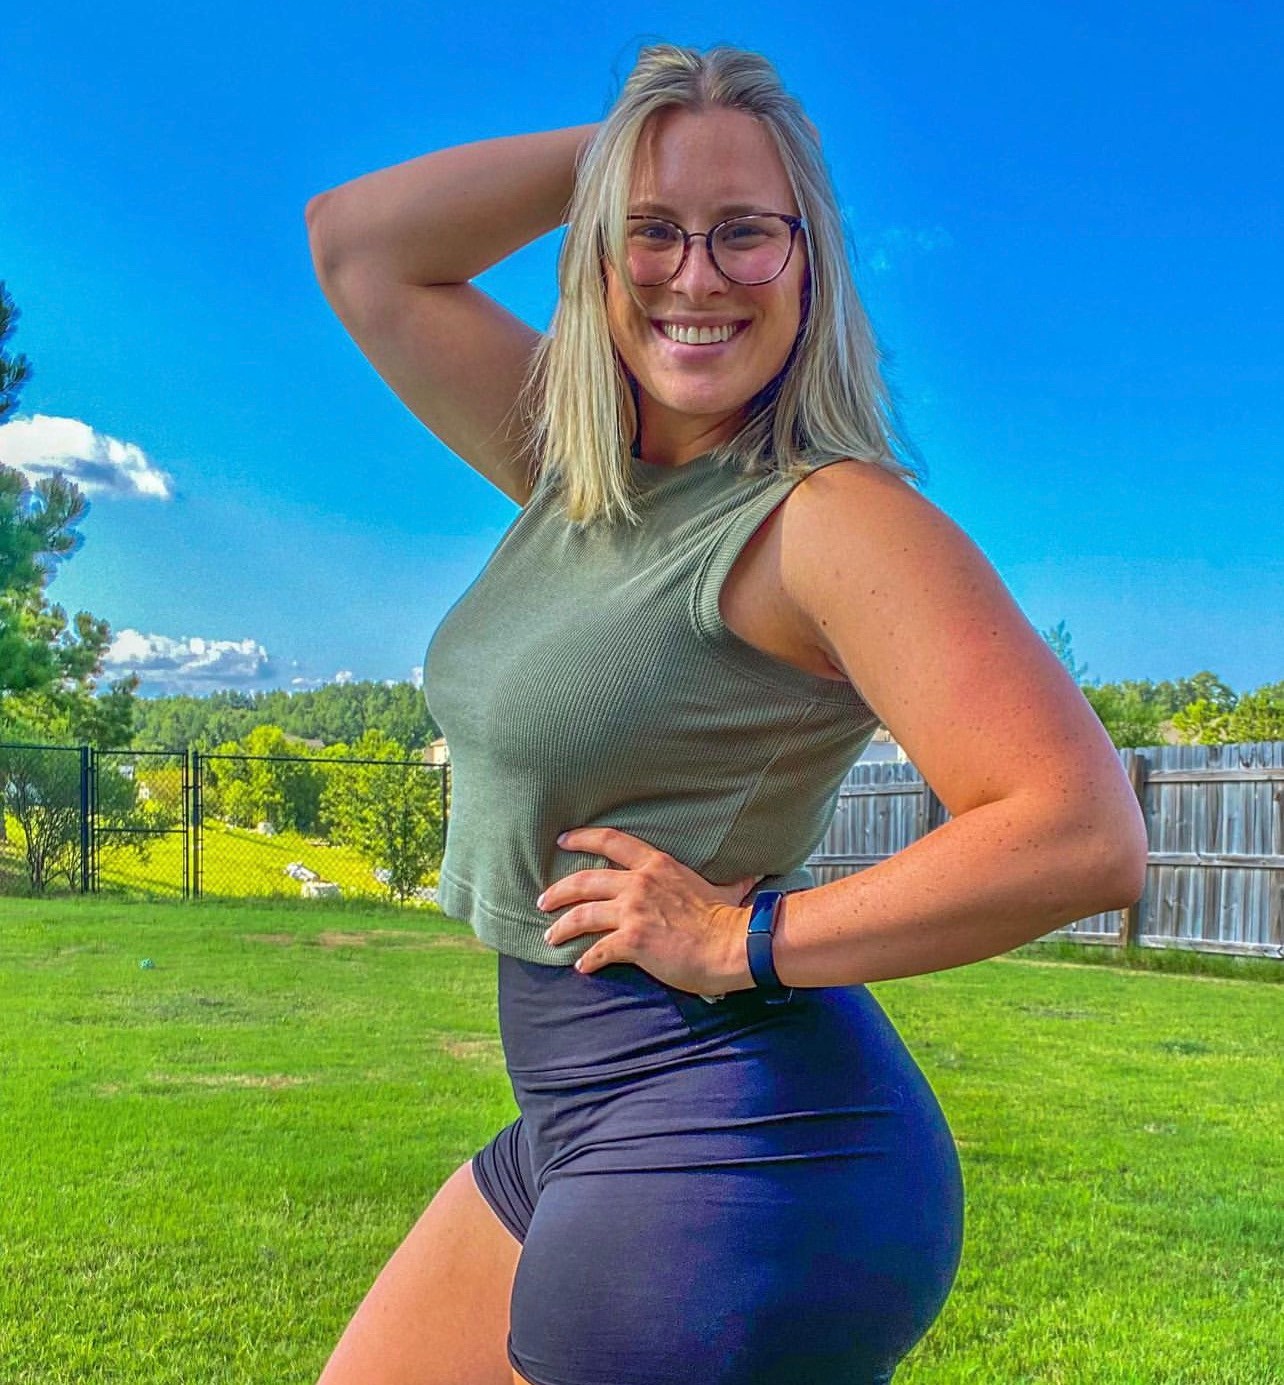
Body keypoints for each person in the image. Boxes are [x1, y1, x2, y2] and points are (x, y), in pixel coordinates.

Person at [304, 41, 1148, 1385]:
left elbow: (1080, 832)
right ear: (599, 256)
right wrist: (633, 145)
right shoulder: (576, 473)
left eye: (746, 232)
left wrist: (743, 935)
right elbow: (361, 247)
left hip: (741, 1150)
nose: (695, 277)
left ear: (809, 263)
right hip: (581, 1116)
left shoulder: (827, 517)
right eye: (652, 233)